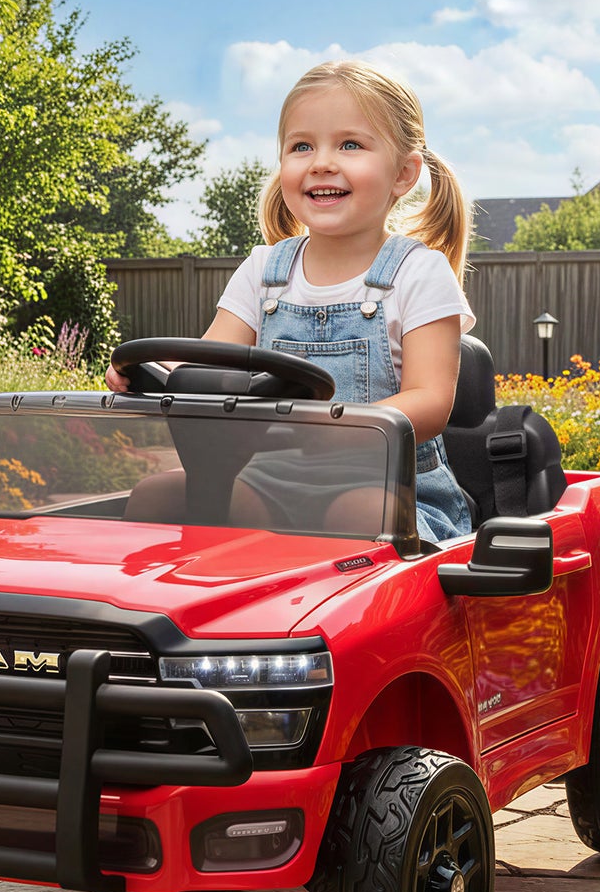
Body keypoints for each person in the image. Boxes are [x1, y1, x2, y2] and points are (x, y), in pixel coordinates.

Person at [106, 59, 474, 544]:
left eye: (350, 144)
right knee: (159, 496)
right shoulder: (264, 272)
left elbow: (430, 400)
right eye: (302, 146)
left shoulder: (418, 273)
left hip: (387, 482)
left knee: (356, 515)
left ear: (404, 174)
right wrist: (151, 371)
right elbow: (212, 359)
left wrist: (337, 430)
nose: (321, 161)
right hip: (270, 478)